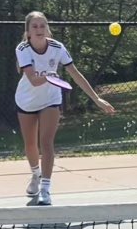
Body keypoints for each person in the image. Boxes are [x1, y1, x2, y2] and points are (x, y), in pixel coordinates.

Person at [15, 11, 116, 206]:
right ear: (28, 31)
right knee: (30, 145)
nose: (39, 30)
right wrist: (51, 77)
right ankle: (35, 175)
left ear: (47, 29)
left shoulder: (57, 47)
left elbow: (75, 74)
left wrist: (97, 99)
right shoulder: (22, 49)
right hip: (26, 100)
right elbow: (34, 81)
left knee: (46, 142)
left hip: (51, 99)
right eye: (34, 26)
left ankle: (45, 188)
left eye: (42, 26)